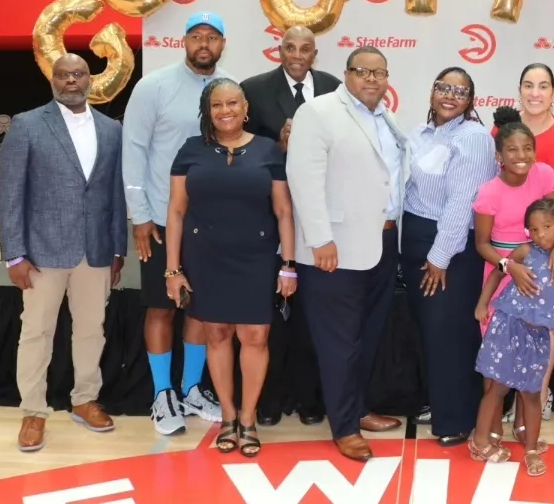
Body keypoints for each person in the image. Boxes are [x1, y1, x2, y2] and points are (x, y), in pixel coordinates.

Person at [0, 54, 127, 452]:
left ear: (91, 79)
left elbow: (115, 195)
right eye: (64, 75)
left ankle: (84, 399)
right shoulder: (28, 124)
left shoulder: (111, 129)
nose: (71, 80)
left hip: (96, 250)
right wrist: (14, 255)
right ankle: (33, 411)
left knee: (91, 330)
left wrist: (118, 247)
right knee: (37, 332)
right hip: (42, 251)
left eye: (79, 74)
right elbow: (10, 193)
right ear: (52, 80)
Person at [285, 46, 407, 462]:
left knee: (368, 337)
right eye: (362, 71)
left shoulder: (385, 118)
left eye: (380, 73)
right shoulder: (318, 112)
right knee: (340, 343)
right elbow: (302, 178)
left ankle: (357, 408)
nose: (372, 79)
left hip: (382, 242)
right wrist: (319, 239)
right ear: (346, 74)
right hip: (334, 249)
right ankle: (344, 426)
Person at [164, 78, 297, 457]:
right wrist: (173, 270)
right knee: (218, 335)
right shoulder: (190, 151)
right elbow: (175, 212)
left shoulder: (269, 151)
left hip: (256, 260)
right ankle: (228, 417)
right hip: (205, 260)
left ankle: (249, 419)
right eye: (218, 105)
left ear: (246, 108)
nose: (226, 111)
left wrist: (288, 265)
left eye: (233, 104)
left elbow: (284, 212)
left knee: (255, 337)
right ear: (208, 111)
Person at [122, 11, 227, 435]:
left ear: (223, 44)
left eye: (213, 37)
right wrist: (140, 216)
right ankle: (162, 394)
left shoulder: (230, 89)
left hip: (214, 222)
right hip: (164, 221)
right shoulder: (154, 87)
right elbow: (134, 151)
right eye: (196, 36)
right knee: (162, 307)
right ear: (184, 42)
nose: (204, 44)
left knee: (200, 309)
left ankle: (191, 388)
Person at [241, 25, 340, 427]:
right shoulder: (254, 88)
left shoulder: (336, 87)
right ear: (278, 50)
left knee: (313, 314)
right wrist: (279, 147)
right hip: (269, 218)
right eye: (289, 47)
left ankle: (310, 397)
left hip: (323, 217)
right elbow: (244, 146)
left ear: (315, 54)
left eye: (305, 48)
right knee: (270, 315)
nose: (297, 55)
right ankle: (269, 399)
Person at [401, 67, 496, 446]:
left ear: (470, 100)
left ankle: (456, 419)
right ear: (431, 92)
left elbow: (462, 203)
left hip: (448, 248)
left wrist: (439, 256)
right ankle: (440, 404)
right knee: (428, 333)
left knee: (449, 335)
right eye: (443, 87)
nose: (450, 95)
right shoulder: (422, 133)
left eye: (460, 91)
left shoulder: (473, 138)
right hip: (416, 241)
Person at [472, 106, 554, 451]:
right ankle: (491, 433)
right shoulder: (489, 192)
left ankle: (527, 432)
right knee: (498, 364)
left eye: (527, 148)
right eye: (512, 149)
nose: (521, 156)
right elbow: (482, 244)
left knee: (536, 360)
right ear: (499, 156)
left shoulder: (545, 176)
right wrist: (508, 267)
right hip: (501, 274)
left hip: (543, 278)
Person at [469, 198, 554, 477]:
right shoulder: (524, 252)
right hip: (510, 326)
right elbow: (499, 272)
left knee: (533, 394)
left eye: (546, 226)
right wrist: (483, 303)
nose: (540, 234)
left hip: (539, 335)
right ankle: (480, 441)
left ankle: (530, 448)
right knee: (497, 388)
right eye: (533, 229)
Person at [492, 63, 554, 425]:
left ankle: (539, 396)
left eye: (544, 85)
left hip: (547, 248)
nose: (536, 92)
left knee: (545, 325)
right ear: (519, 90)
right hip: (506, 250)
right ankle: (508, 398)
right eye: (529, 84)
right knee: (508, 328)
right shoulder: (501, 131)